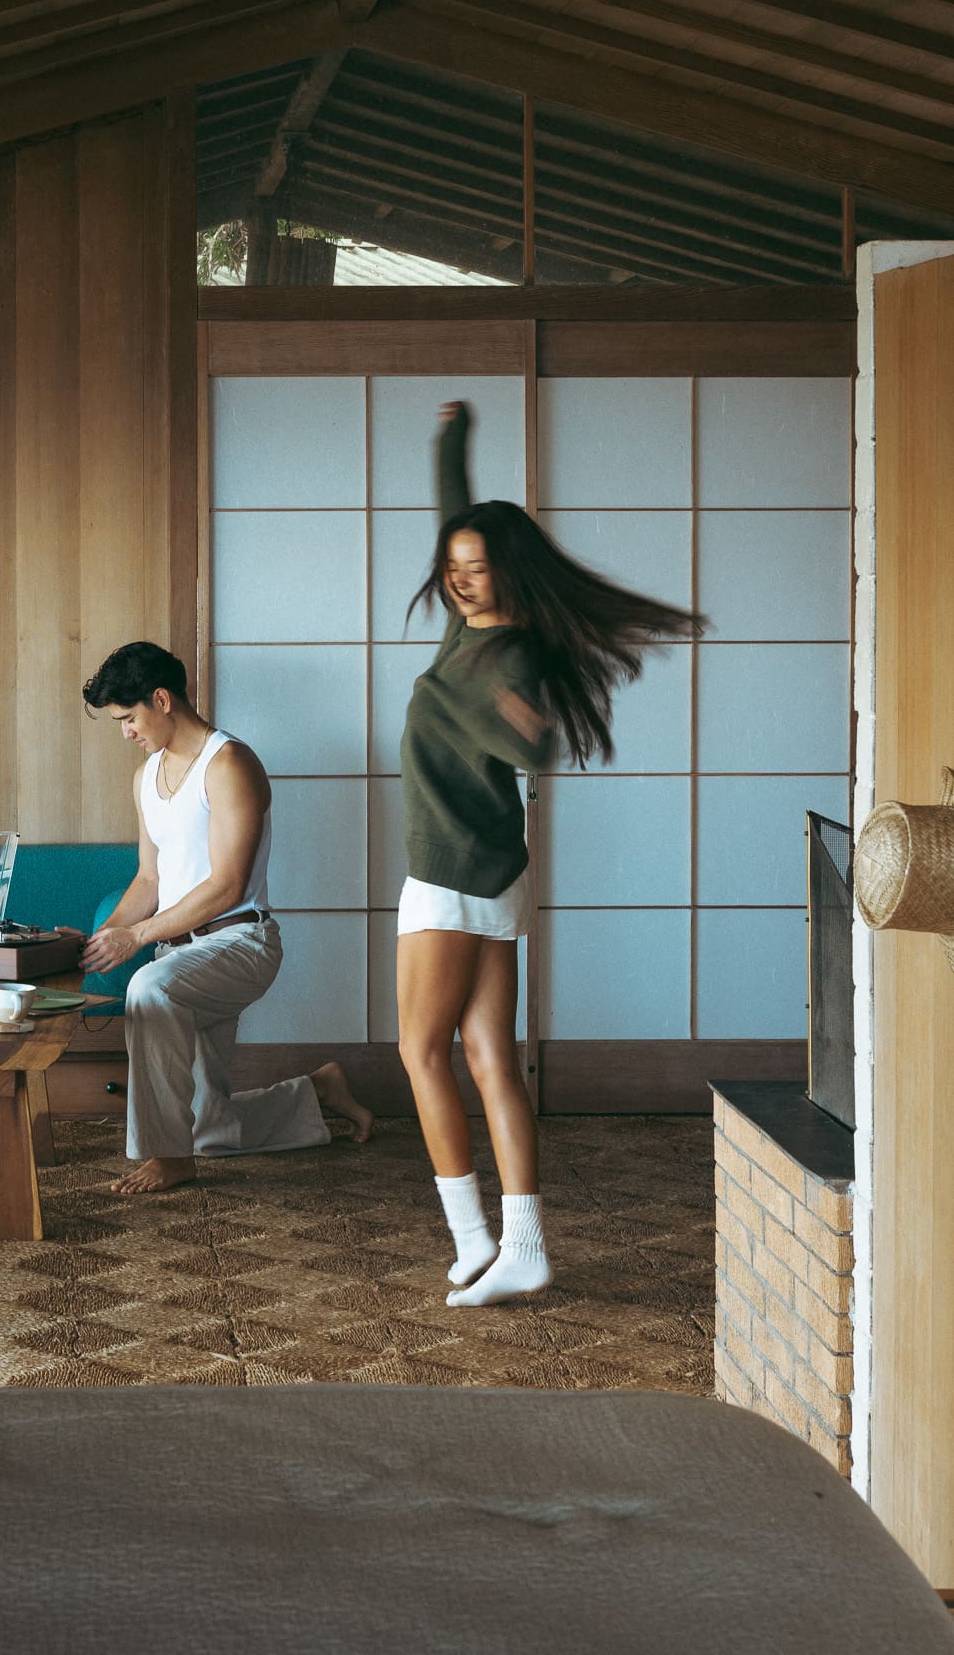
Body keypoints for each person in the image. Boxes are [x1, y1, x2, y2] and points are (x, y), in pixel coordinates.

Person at [398, 401, 704, 1307]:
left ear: (507, 574)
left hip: (451, 875)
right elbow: (455, 520)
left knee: (419, 1053)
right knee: (489, 1051)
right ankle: (521, 1244)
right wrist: (450, 444)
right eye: (452, 567)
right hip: (491, 874)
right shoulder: (473, 632)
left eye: (476, 568)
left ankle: (470, 1239)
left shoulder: (503, 660)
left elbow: (533, 750)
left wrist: (524, 721)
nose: (459, 580)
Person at [76, 640, 372, 1195]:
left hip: (240, 945)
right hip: (177, 951)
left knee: (150, 990)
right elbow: (149, 880)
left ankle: (168, 1156)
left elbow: (228, 884)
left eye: (129, 718)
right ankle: (317, 1092)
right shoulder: (146, 778)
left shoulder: (230, 763)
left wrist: (137, 937)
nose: (125, 733)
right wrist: (105, 938)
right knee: (211, 1128)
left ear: (161, 699)